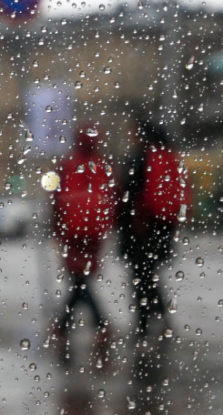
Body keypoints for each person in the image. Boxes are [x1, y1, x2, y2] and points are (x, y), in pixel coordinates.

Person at [51, 124, 118, 361]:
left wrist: (57, 229)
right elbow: (113, 198)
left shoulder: (69, 165)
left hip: (73, 231)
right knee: (81, 279)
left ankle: (74, 325)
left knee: (79, 279)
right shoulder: (102, 166)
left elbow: (58, 200)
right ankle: (73, 325)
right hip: (95, 232)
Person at [119, 120, 190, 337]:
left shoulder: (141, 158)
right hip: (164, 227)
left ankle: (143, 325)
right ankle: (161, 321)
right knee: (149, 276)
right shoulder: (169, 157)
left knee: (141, 278)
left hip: (140, 229)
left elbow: (127, 194)